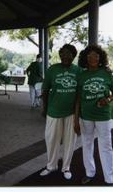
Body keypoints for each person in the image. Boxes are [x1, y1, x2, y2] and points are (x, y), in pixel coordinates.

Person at [74, 45, 113, 185]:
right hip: (86, 116)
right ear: (85, 58)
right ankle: (89, 173)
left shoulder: (106, 73)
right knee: (87, 144)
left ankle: (109, 178)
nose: (93, 58)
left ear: (100, 58)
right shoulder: (81, 75)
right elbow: (78, 99)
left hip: (103, 116)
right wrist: (76, 120)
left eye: (96, 56)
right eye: (90, 56)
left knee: (105, 146)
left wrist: (107, 100)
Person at [40, 44, 81, 180]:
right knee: (51, 140)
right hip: (53, 111)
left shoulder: (78, 71)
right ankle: (51, 166)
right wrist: (44, 109)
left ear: (73, 56)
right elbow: (45, 91)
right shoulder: (52, 70)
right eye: (63, 53)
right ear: (60, 55)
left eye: (69, 53)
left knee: (70, 141)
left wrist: (76, 117)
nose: (65, 56)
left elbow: (79, 95)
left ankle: (66, 167)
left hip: (71, 113)